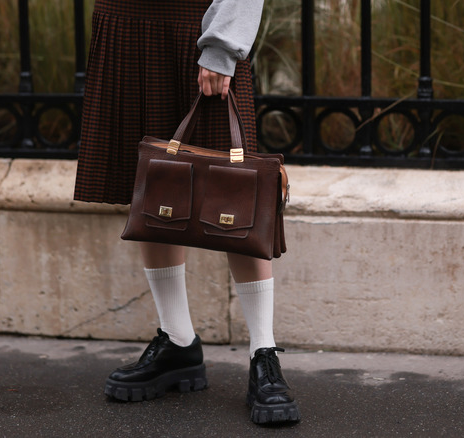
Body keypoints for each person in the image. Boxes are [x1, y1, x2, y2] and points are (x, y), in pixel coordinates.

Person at [73, 0, 300, 425]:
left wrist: (221, 48)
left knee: (238, 192)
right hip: (124, 27)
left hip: (194, 28)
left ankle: (263, 352)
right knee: (155, 189)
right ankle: (177, 341)